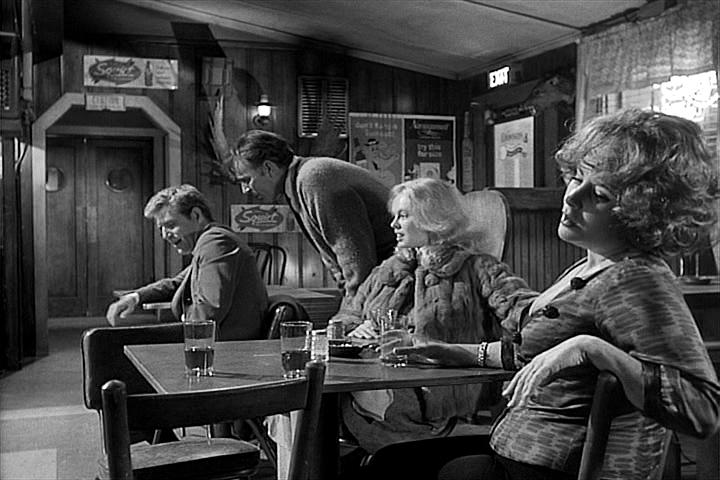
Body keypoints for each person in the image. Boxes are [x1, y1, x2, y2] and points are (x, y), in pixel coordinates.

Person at [393, 109, 720, 479]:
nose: (572, 197)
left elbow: (702, 410)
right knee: (392, 461)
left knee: (401, 467)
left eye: (599, 194)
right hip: (517, 450)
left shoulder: (635, 279)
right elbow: (535, 350)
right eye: (577, 177)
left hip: (552, 466)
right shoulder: (588, 266)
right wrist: (457, 352)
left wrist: (591, 349)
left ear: (642, 212)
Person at [330, 177, 533, 454]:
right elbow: (345, 316)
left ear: (432, 218)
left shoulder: (478, 268)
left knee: (326, 406)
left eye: (403, 216)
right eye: (395, 216)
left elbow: (529, 316)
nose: (393, 225)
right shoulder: (388, 269)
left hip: (437, 390)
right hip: (375, 379)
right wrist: (355, 328)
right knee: (307, 402)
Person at [227, 130, 396, 311]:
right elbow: (340, 263)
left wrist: (352, 313)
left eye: (247, 180)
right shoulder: (301, 180)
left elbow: (356, 261)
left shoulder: (314, 178)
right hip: (383, 282)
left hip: (397, 279)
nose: (245, 189)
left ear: (269, 168)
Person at [106, 184, 268, 341]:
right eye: (161, 228)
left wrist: (184, 319)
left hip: (225, 348)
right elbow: (176, 284)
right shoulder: (209, 243)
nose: (165, 235)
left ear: (196, 216)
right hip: (213, 342)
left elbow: (208, 312)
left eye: (170, 225)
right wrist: (135, 297)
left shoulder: (215, 243)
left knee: (109, 341)